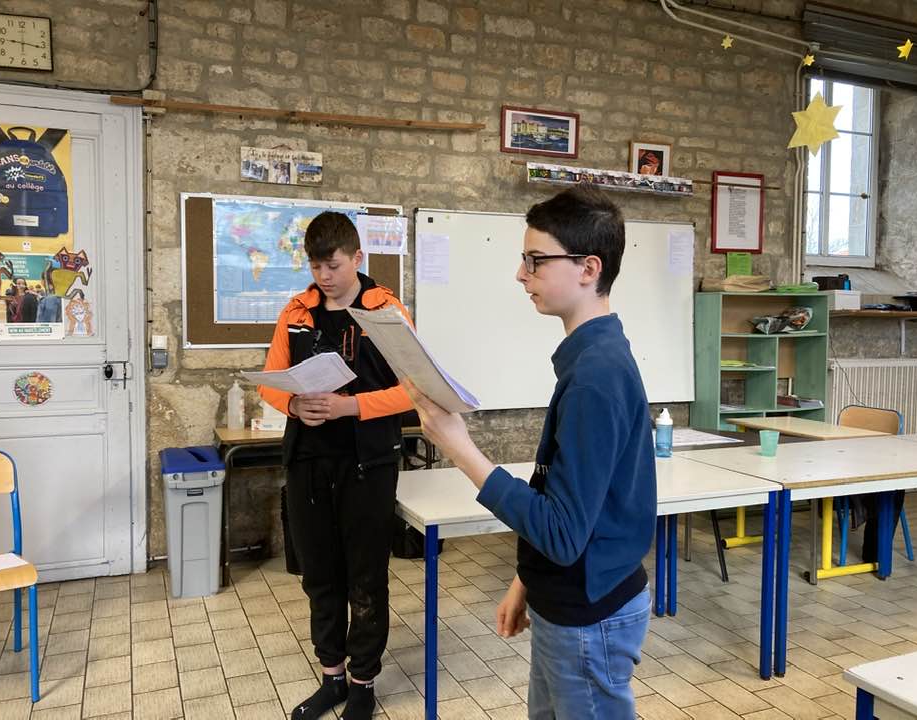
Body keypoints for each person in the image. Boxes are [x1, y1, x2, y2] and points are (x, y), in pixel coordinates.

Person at [406, 186, 657, 719]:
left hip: (589, 612)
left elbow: (565, 534)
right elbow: (567, 495)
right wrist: (528, 578)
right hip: (567, 596)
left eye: (535, 261)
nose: (522, 275)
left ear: (589, 268)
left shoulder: (596, 377)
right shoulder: (591, 358)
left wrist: (460, 448)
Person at [258, 211, 412, 720]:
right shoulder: (296, 311)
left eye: (333, 264)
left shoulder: (387, 310)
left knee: (364, 577)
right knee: (319, 575)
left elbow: (415, 389)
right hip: (307, 462)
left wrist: (351, 406)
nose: (324, 276)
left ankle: (364, 682)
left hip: (368, 462)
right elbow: (269, 381)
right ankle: (333, 678)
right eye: (316, 265)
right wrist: (292, 405)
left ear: (357, 259)